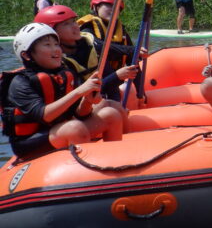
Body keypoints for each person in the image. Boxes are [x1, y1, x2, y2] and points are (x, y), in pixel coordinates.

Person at [1, 22, 123, 159]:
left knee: (110, 114)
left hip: (61, 129)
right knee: (74, 128)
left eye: (56, 44)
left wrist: (87, 101)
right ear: (27, 55)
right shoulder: (19, 83)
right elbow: (44, 115)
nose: (57, 50)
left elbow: (80, 114)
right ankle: (87, 169)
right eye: (47, 45)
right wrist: (79, 92)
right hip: (28, 143)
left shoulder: (64, 74)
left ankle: (117, 160)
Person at [35, 5, 138, 111]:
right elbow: (80, 95)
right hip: (80, 110)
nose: (75, 26)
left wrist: (116, 101)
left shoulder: (90, 45)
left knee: (125, 93)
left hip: (103, 101)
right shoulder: (55, 62)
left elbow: (109, 80)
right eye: (66, 24)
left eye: (73, 21)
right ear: (52, 32)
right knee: (108, 110)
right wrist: (117, 76)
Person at [77, 0, 133, 71]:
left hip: (114, 77)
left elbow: (131, 56)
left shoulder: (120, 30)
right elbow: (98, 47)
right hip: (91, 76)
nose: (113, 9)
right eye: (109, 5)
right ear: (96, 7)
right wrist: (131, 50)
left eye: (116, 7)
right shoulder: (87, 26)